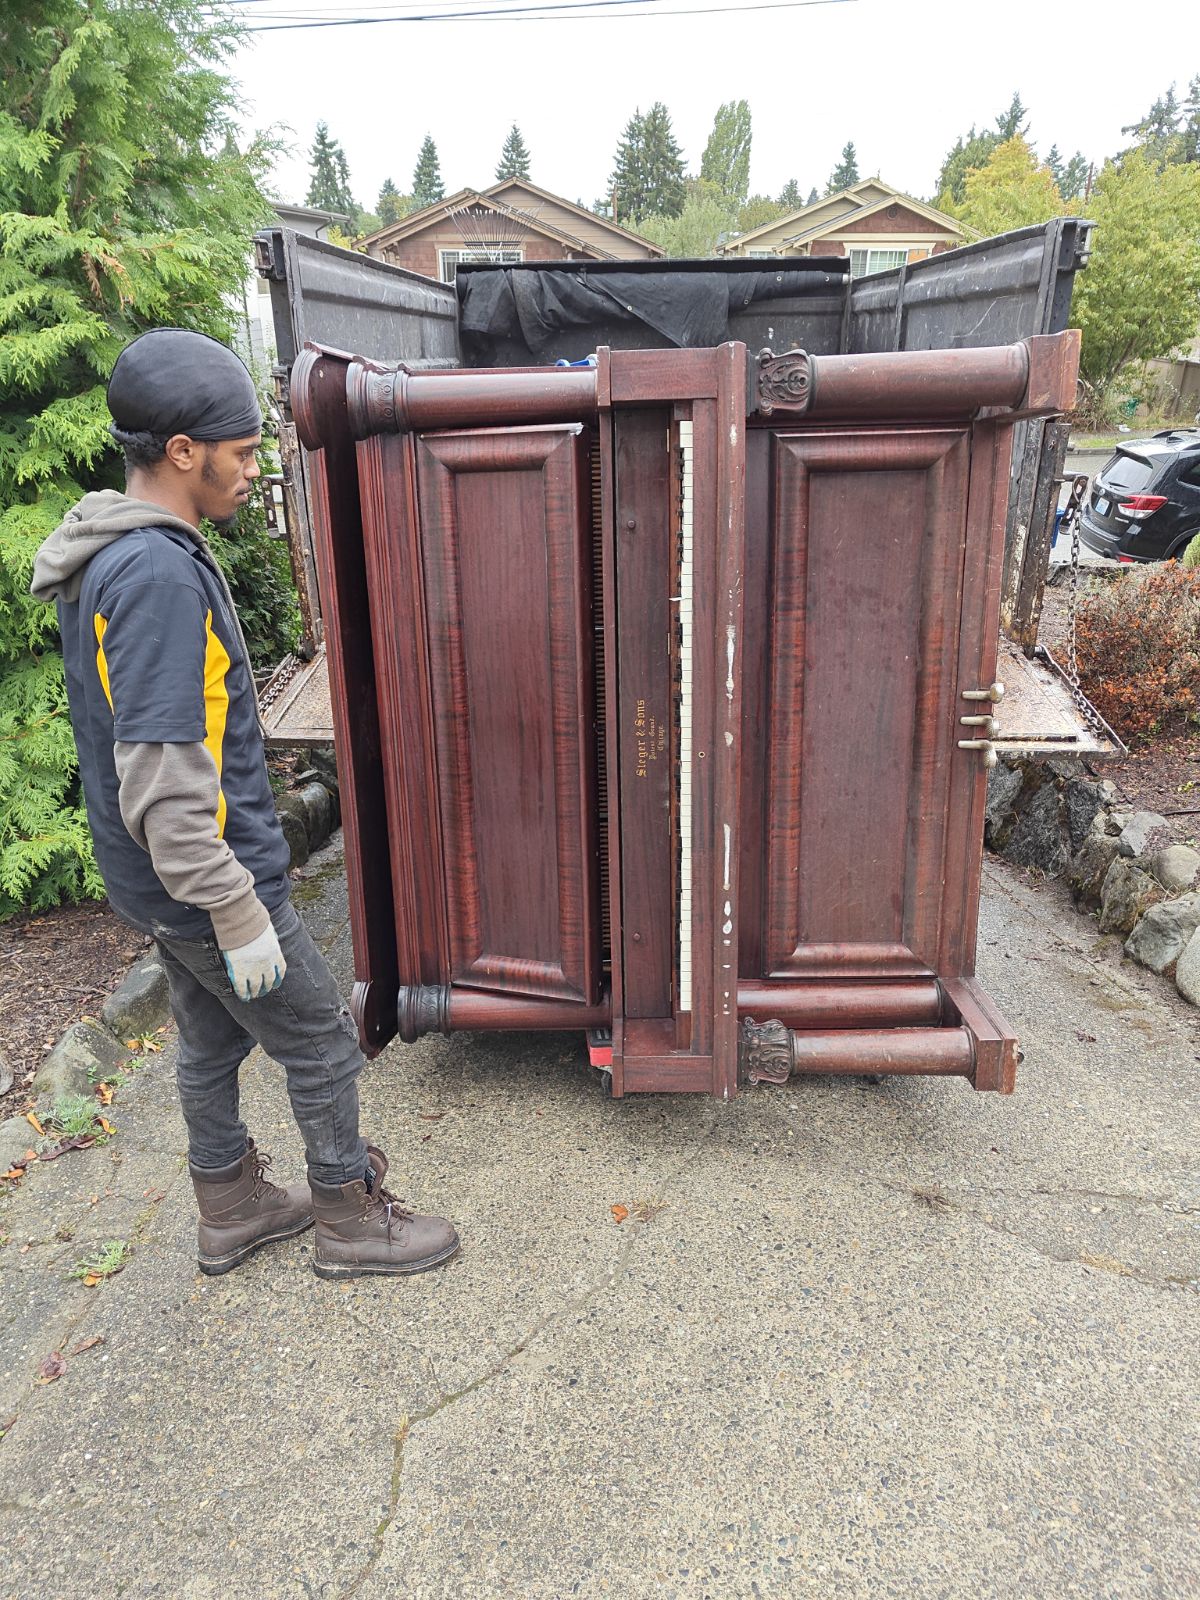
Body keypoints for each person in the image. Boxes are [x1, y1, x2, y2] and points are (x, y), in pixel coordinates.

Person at [30, 327, 458, 1281]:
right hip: (207, 878)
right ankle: (349, 1217)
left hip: (160, 883)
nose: (255, 469)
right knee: (321, 1040)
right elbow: (162, 776)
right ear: (183, 452)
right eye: (245, 451)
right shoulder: (153, 576)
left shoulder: (117, 553)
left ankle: (230, 1206)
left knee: (212, 1037)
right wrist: (237, 911)